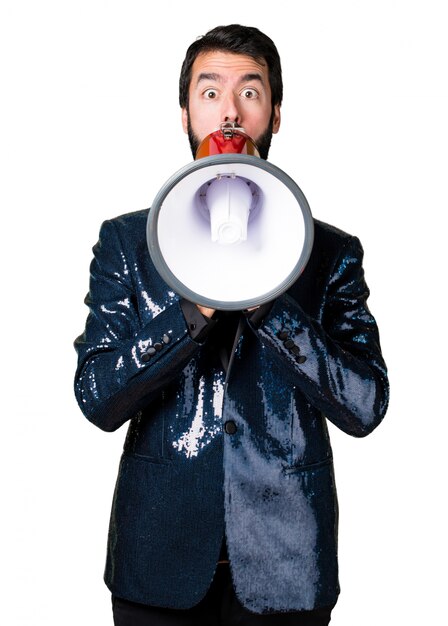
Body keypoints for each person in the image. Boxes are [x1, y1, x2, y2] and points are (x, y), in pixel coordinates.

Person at [74, 24, 389, 626]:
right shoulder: (127, 244)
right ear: (186, 113)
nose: (230, 111)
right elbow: (97, 397)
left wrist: (269, 303)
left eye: (251, 92)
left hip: (288, 562)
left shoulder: (331, 253)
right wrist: (193, 310)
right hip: (158, 561)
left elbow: (366, 405)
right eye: (209, 91)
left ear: (274, 113)